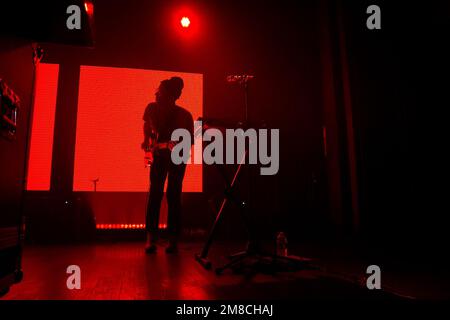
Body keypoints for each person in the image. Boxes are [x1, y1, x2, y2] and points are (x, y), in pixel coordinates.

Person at [142, 77, 193, 254]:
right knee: (155, 194)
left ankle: (171, 240)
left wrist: (162, 146)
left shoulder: (184, 115)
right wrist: (147, 146)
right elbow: (147, 128)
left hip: (176, 158)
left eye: (161, 90)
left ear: (171, 95)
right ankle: (152, 238)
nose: (157, 93)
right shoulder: (151, 108)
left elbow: (186, 143)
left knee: (172, 195)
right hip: (159, 157)